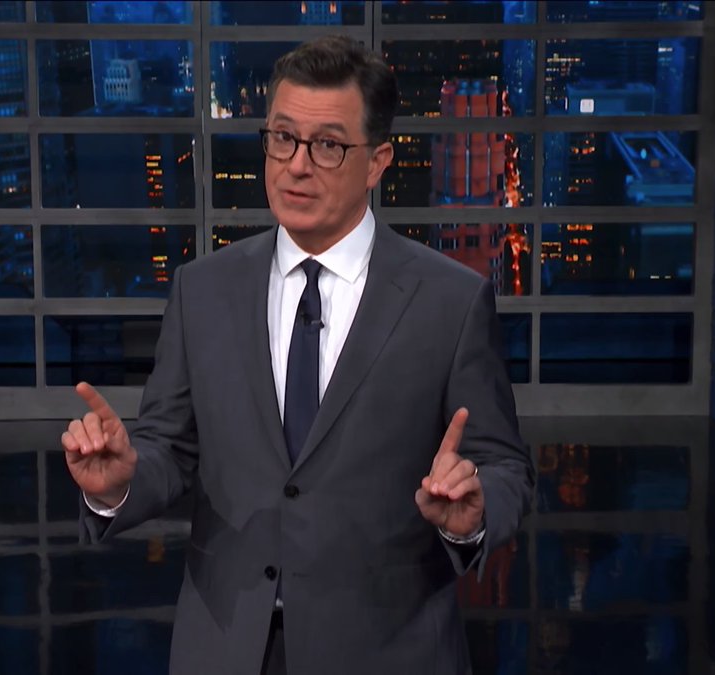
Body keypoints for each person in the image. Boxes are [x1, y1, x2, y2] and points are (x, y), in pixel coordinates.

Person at [61, 35, 535, 675]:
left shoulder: (449, 300)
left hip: (388, 650)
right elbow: (168, 447)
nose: (297, 166)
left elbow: (505, 467)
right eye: (283, 138)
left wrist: (469, 517)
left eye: (328, 146)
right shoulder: (203, 289)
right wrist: (120, 484)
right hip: (226, 646)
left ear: (378, 161)